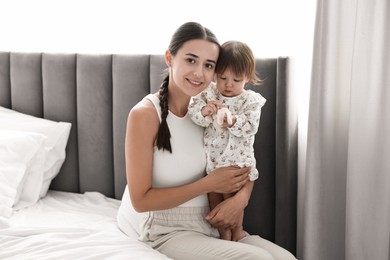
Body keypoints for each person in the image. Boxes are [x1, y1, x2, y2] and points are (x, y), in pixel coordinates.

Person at [117, 21, 296, 260]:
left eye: (208, 65)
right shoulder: (145, 115)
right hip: (163, 228)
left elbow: (240, 158)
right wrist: (209, 185)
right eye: (191, 60)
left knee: (285, 258)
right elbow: (140, 201)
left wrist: (240, 201)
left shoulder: (210, 112)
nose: (199, 73)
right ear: (170, 58)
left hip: (210, 221)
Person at [187, 40, 266, 242]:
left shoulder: (250, 101)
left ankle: (237, 231)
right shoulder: (210, 94)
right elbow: (193, 113)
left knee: (232, 201)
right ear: (216, 74)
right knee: (214, 198)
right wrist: (205, 112)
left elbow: (251, 127)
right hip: (213, 161)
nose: (228, 84)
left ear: (247, 77)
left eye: (236, 79)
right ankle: (223, 234)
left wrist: (232, 120)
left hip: (237, 163)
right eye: (223, 78)